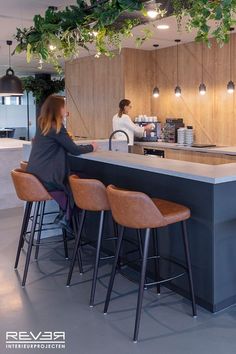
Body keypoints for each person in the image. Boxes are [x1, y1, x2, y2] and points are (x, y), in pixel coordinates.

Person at [26, 95, 96, 229]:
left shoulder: (43, 124)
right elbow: (74, 149)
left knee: (73, 179)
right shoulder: (57, 127)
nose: (66, 109)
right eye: (64, 106)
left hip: (34, 176)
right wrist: (92, 146)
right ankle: (68, 216)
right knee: (76, 182)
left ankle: (65, 214)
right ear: (58, 109)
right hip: (46, 179)